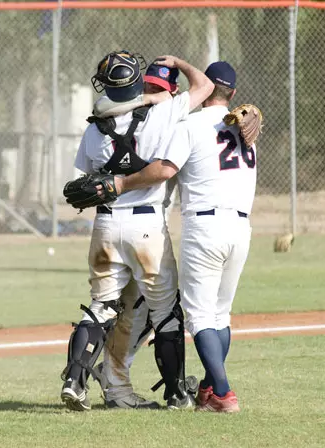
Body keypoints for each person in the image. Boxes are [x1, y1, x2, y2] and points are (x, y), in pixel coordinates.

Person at [60, 51, 214, 412]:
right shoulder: (162, 113)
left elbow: (86, 175)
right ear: (137, 83)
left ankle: (75, 381)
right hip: (146, 224)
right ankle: (177, 394)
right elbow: (204, 86)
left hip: (106, 223)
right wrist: (177, 64)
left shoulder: (94, 128)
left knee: (100, 309)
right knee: (165, 314)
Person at [110, 61, 258, 413]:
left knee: (199, 318)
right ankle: (208, 389)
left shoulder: (191, 124)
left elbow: (164, 170)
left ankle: (223, 393)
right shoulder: (246, 129)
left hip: (206, 227)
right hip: (241, 227)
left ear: (206, 87)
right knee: (220, 316)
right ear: (233, 94)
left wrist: (122, 183)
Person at [95, 63, 185, 409]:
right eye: (147, 86)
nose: (152, 93)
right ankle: (159, 387)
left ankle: (113, 376)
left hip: (142, 226)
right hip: (144, 229)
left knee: (137, 311)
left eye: (159, 87)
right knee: (149, 310)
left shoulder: (172, 118)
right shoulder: (152, 116)